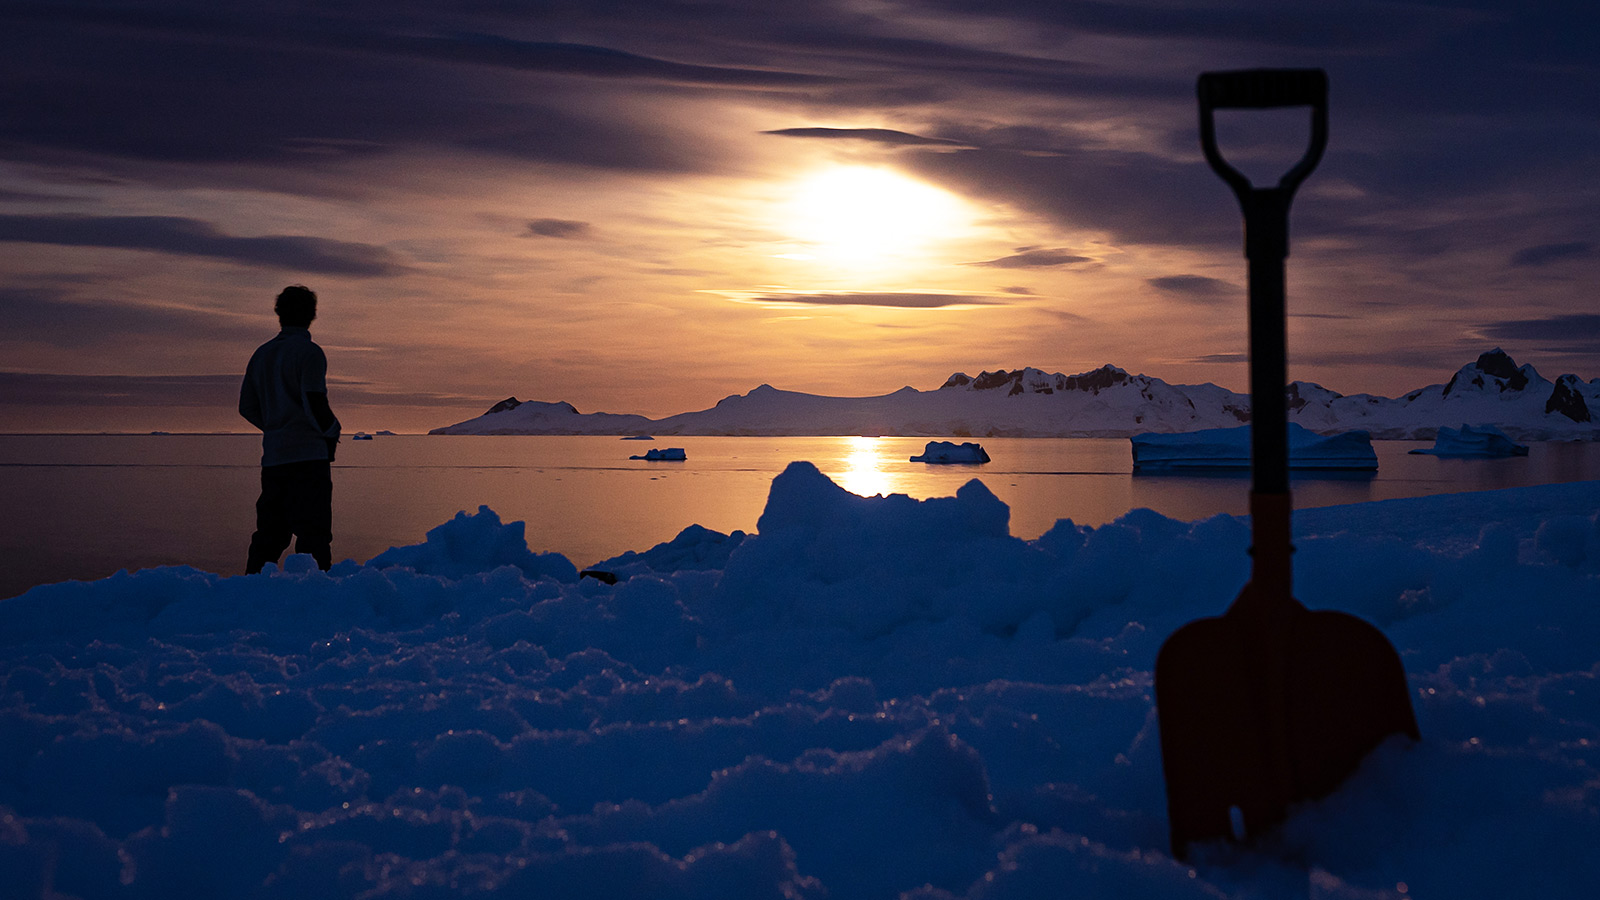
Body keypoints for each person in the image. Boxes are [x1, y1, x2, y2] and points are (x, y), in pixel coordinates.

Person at [239, 285, 341, 573]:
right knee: (315, 535)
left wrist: (275, 427)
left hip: (273, 458)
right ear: (312, 315)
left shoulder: (261, 354)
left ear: (278, 314)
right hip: (308, 457)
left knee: (269, 535)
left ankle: (251, 592)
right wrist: (332, 431)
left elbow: (246, 407)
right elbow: (314, 400)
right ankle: (314, 598)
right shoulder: (309, 352)